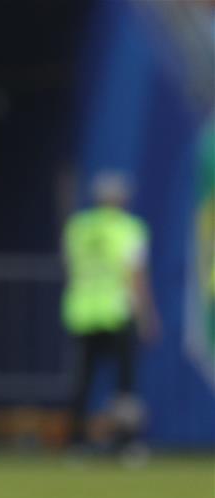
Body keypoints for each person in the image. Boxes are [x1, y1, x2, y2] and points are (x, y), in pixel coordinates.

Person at [62, 172, 160, 448]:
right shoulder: (129, 228)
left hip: (82, 312)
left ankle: (76, 442)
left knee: (82, 381)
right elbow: (136, 277)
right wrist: (147, 315)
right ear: (121, 200)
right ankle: (126, 441)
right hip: (118, 311)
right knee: (124, 382)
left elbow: (71, 268)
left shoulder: (78, 227)